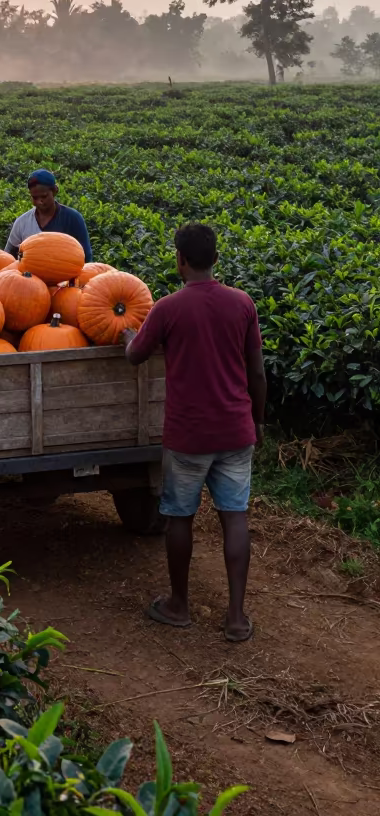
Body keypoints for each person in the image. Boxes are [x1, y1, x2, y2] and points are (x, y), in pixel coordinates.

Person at [124, 222, 266, 642]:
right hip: (236, 429)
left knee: (180, 516)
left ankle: (179, 605)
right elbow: (256, 371)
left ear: (179, 260)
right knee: (234, 516)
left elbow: (135, 356)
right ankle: (237, 618)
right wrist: (256, 419)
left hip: (188, 436)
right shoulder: (242, 304)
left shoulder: (167, 308)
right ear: (216, 259)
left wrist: (129, 334)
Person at [5, 168, 92, 261]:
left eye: (44, 196)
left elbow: (86, 257)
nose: (39, 202)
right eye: (35, 197)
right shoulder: (22, 222)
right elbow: (7, 257)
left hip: (65, 273)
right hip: (28, 274)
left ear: (55, 191)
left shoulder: (72, 218)